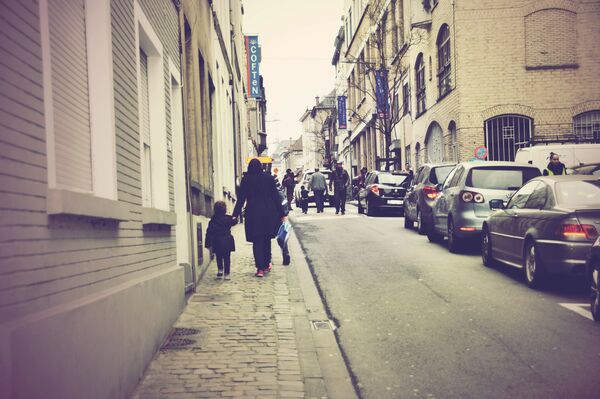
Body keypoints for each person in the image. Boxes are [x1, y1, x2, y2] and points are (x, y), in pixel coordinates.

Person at [232, 159, 286, 278]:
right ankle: (266, 264)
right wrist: (282, 213)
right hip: (268, 214)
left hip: (253, 214)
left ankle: (260, 268)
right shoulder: (269, 178)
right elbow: (276, 197)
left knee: (257, 241)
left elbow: (241, 199)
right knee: (266, 240)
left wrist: (235, 214)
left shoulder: (246, 180)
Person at [205, 201, 236, 280]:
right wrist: (235, 217)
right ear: (225, 209)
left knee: (218, 256)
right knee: (227, 257)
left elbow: (209, 232)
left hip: (217, 240)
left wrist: (207, 244)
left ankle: (220, 270)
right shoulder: (228, 218)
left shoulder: (213, 220)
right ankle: (227, 274)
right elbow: (234, 222)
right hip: (227, 240)